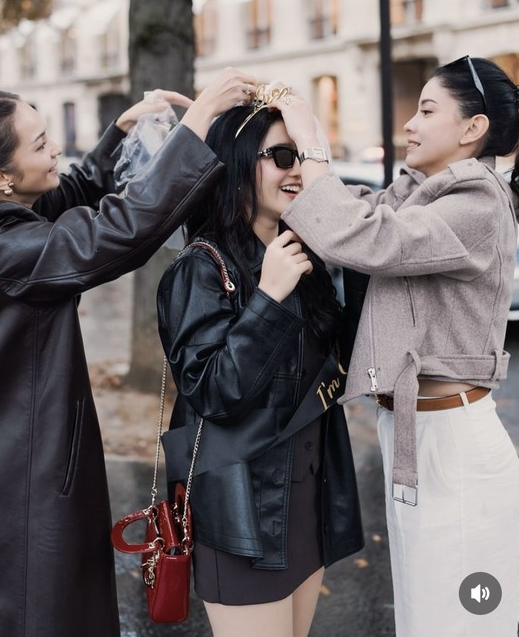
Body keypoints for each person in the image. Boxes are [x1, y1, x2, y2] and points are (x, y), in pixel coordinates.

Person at [0, 67, 256, 637]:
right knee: (33, 617)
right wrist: (194, 128)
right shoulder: (4, 243)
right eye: (41, 144)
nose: (56, 150)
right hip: (12, 481)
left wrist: (118, 132)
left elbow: (70, 195)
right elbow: (121, 231)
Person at [276, 56, 519, 637]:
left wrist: (312, 141)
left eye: (427, 109)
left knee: (463, 623)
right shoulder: (425, 196)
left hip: (456, 448)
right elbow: (356, 210)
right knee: (423, 618)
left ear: (473, 128)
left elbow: (358, 236)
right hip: (417, 435)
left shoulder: (479, 204)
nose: (409, 123)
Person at [156, 89, 364, 637]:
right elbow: (213, 391)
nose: (296, 170)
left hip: (307, 503)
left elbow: (348, 355)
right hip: (243, 512)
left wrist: (352, 238)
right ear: (239, 165)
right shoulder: (200, 269)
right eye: (282, 156)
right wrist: (267, 299)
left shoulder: (305, 254)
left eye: (302, 156)